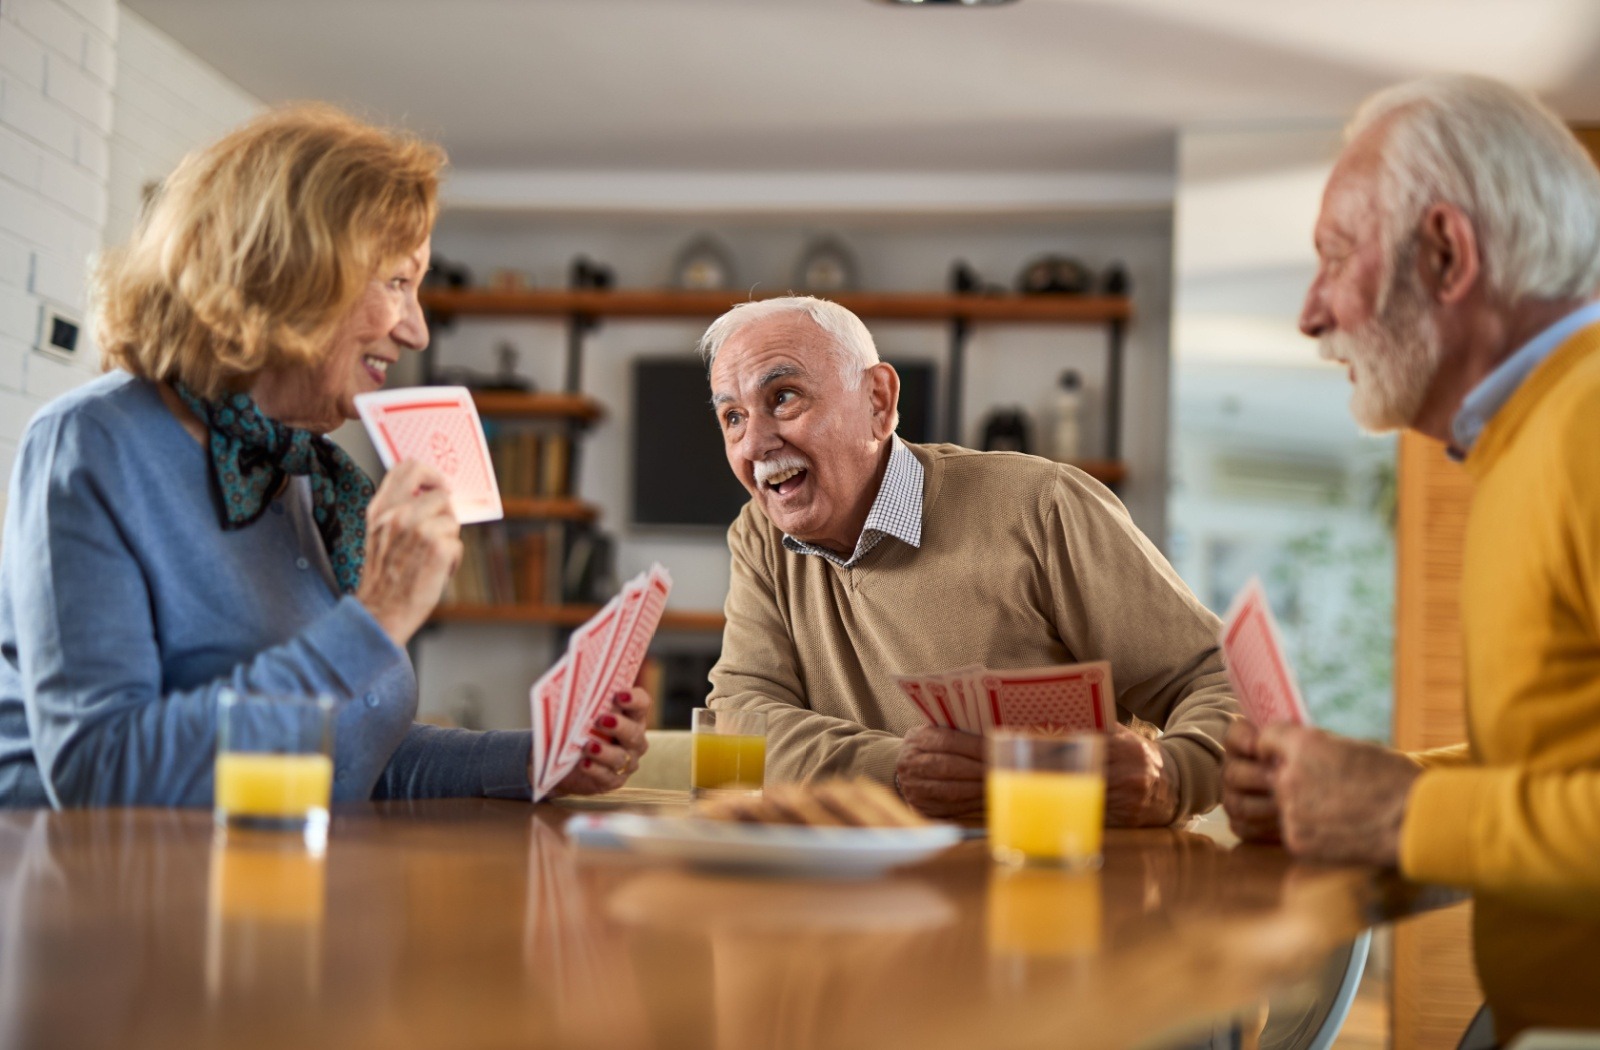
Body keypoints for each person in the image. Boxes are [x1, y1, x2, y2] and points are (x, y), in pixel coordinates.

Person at [0, 105, 647, 808]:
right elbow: (100, 773)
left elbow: (353, 756)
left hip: (276, 888)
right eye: (398, 282)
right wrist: (374, 619)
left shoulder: (305, 475)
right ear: (291, 275)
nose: (418, 330)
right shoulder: (92, 444)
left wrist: (543, 759)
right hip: (114, 901)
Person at [1221, 75, 1600, 1039]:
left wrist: (1402, 815)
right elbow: (1562, 768)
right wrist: (1349, 794)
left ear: (1445, 252)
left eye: (1336, 257)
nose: (1310, 313)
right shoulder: (1532, 435)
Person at [700, 296, 1239, 825]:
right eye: (733, 417)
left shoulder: (1042, 506)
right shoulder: (759, 536)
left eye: (785, 397)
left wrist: (1169, 778)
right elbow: (740, 721)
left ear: (878, 401)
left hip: (1057, 877)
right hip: (858, 894)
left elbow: (1219, 680)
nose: (754, 444)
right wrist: (903, 772)